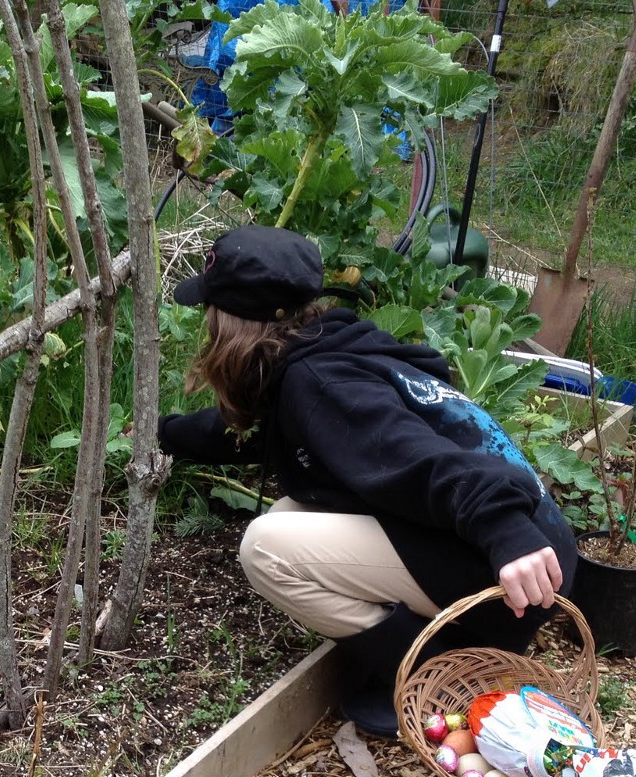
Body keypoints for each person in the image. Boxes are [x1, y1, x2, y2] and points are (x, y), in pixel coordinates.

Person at [158, 225, 577, 739]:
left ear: (231, 323)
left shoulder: (321, 384)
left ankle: (442, 678)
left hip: (513, 568)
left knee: (266, 549)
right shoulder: (330, 348)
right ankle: (444, 645)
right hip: (527, 544)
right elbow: (260, 435)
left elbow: (421, 456)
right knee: (289, 516)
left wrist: (506, 533)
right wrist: (164, 435)